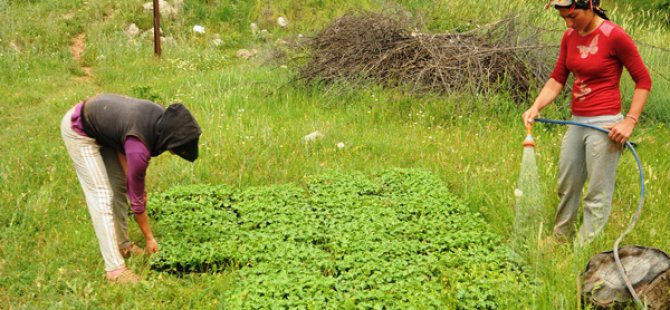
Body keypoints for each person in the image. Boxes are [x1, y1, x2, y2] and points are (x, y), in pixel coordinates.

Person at [522, 0, 652, 245]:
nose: (569, 24)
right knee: (567, 183)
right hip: (577, 120)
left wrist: (629, 121)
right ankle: (560, 238)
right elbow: (557, 78)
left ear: (591, 6)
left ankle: (585, 248)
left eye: (573, 16)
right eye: (564, 19)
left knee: (597, 192)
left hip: (605, 125)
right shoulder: (570, 36)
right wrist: (536, 106)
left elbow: (643, 81)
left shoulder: (614, 36)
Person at [61, 94, 202, 283]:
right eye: (173, 149)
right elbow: (137, 202)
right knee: (102, 195)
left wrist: (132, 184)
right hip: (79, 130)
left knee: (118, 185)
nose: (171, 152)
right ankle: (114, 269)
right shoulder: (140, 147)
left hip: (104, 130)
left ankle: (123, 245)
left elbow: (122, 138)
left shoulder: (160, 120)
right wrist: (149, 238)